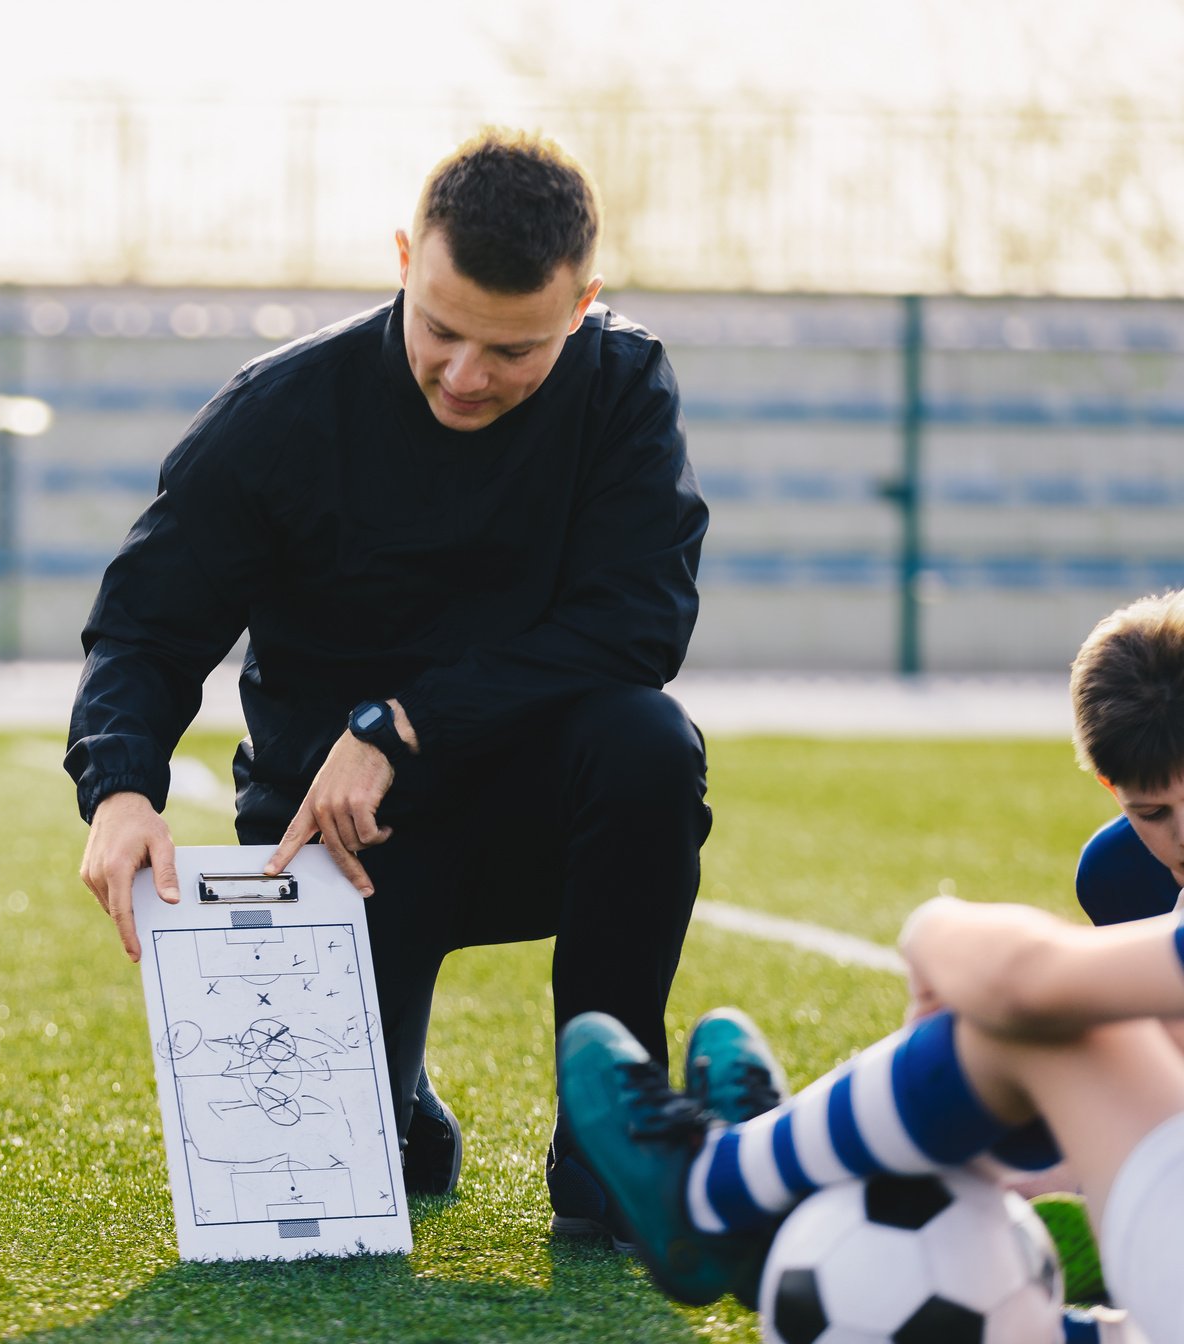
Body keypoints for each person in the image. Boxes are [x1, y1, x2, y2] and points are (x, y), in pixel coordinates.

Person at [66, 126, 712, 1230]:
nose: (467, 375)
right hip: (340, 840)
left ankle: (608, 1149)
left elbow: (638, 624)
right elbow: (146, 626)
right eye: (443, 330)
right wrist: (121, 787)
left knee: (652, 746)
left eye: (516, 351)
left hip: (535, 809)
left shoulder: (621, 386)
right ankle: (402, 1106)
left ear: (584, 301)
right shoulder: (279, 412)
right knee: (370, 1171)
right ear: (405, 259)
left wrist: (403, 721)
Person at [558, 589, 1184, 1343]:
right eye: (1156, 813)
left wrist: (934, 929)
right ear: (1113, 792)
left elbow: (1026, 983)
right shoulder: (1125, 873)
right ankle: (783, 1183)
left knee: (1047, 1031)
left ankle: (721, 1188)